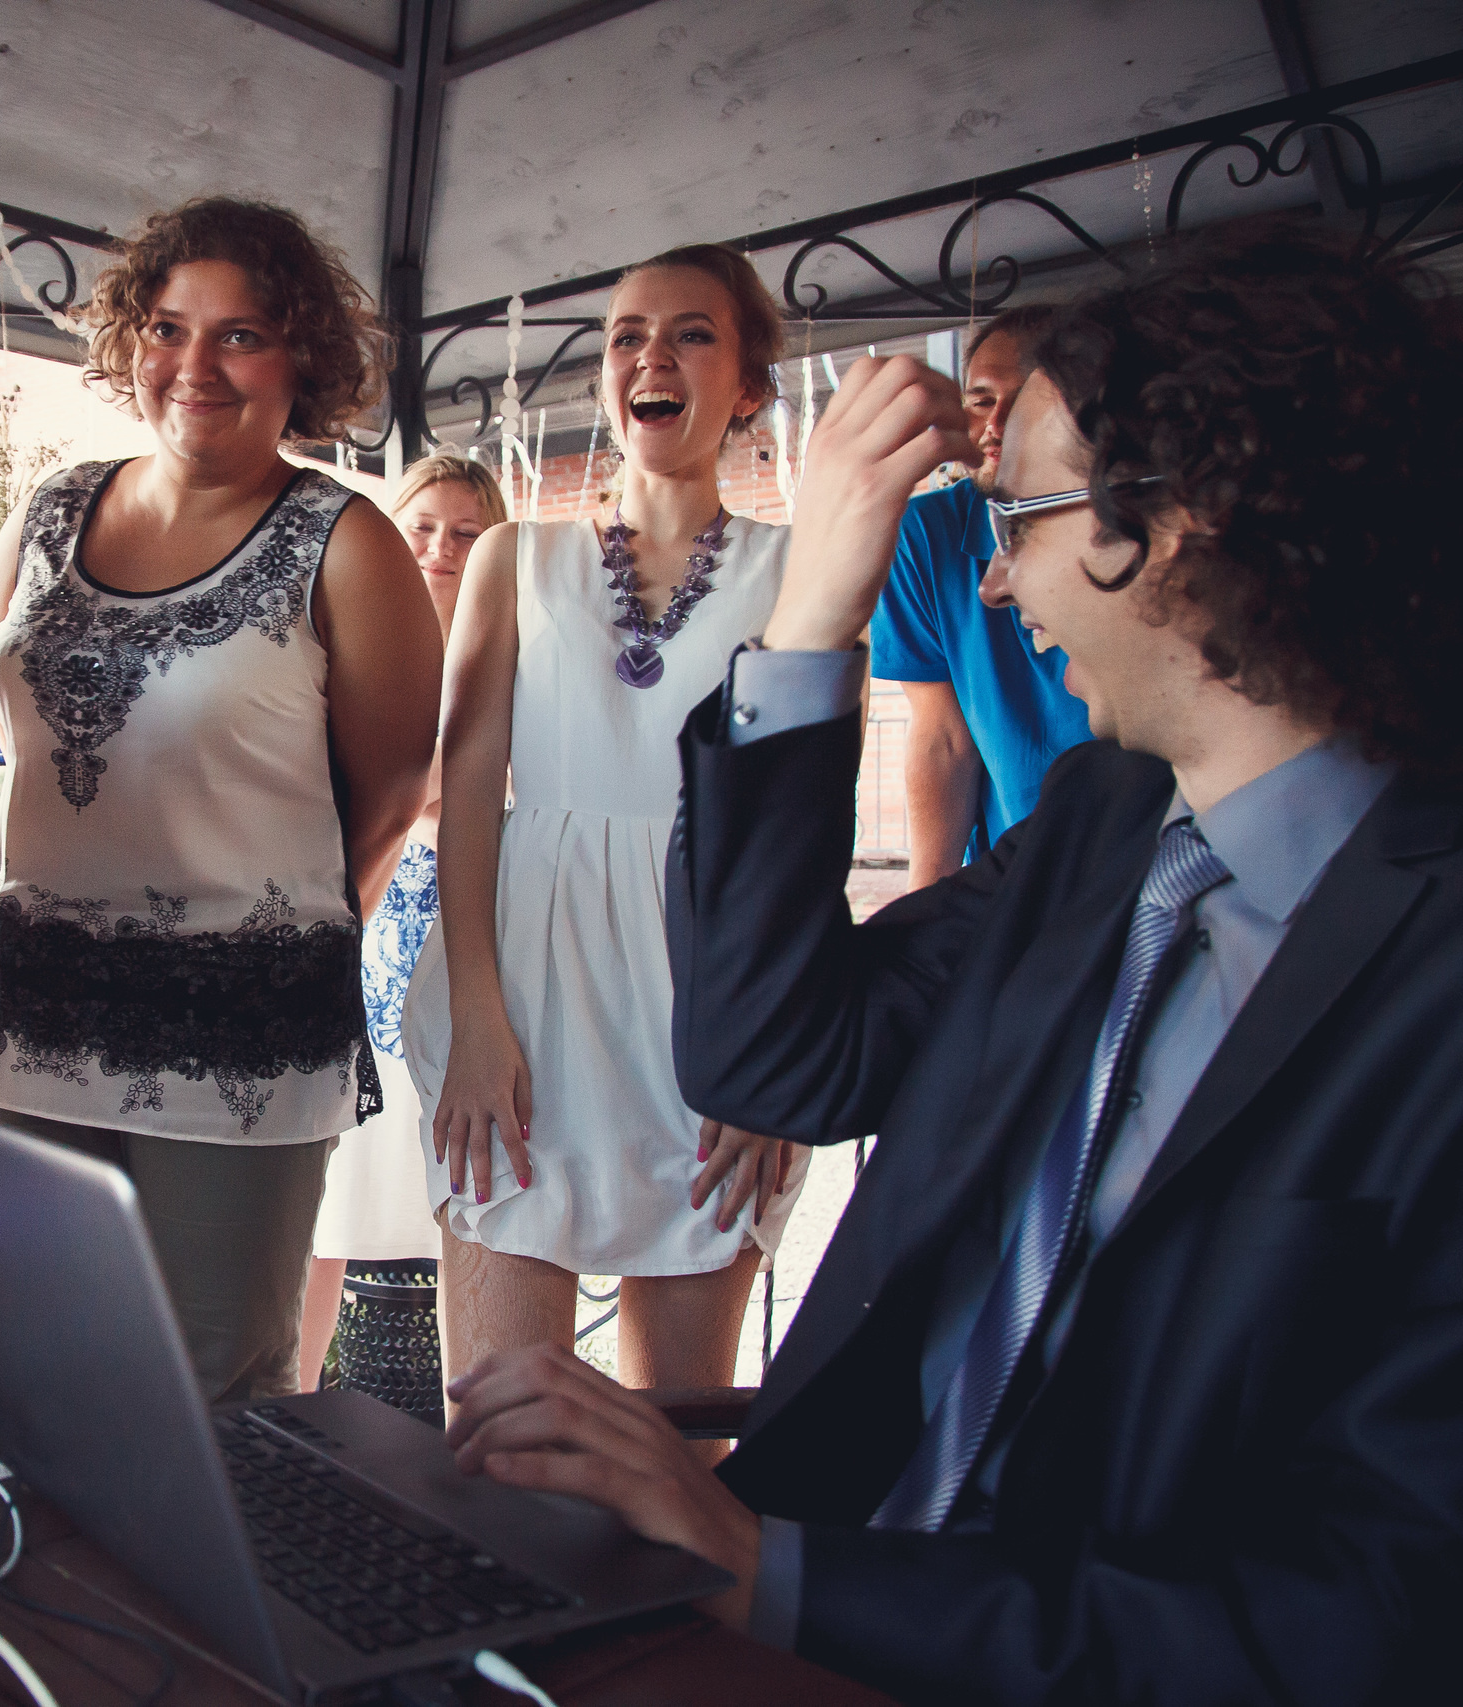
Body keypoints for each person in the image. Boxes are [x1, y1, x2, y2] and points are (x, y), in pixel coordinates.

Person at [444, 227, 1463, 1702]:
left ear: (1181, 522)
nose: (993, 585)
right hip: (802, 1591)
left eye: (1023, 515)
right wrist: (808, 625)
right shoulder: (1100, 831)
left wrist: (764, 1567)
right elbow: (776, 1058)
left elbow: (1362, 1621)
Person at [0, 196, 441, 1403]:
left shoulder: (348, 543)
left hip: (237, 1045)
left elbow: (383, 799)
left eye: (241, 334)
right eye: (168, 328)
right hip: (25, 1015)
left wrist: (252, 941)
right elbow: (6, 716)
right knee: (23, 1371)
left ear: (302, 358)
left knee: (213, 1394)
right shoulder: (55, 506)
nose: (195, 366)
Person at [407, 246, 807, 1416]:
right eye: (628, 333)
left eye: (690, 334)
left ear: (746, 386)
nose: (649, 355)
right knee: (495, 1426)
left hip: (712, 1012)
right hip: (523, 1000)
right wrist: (478, 1016)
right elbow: (470, 789)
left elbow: (796, 828)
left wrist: (766, 1059)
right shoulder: (513, 558)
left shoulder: (798, 571)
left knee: (680, 1446)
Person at [298, 451, 503, 1391]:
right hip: (358, 923)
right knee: (315, 1209)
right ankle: (280, 1415)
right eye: (423, 526)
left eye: (466, 531)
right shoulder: (346, 638)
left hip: (470, 938)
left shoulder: (515, 651)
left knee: (472, 1202)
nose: (441, 547)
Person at [872, 304, 1093, 887]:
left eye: (1024, 399)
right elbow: (941, 736)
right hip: (1011, 873)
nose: (996, 423)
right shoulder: (923, 537)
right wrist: (926, 900)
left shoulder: (1126, 523)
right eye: (980, 400)